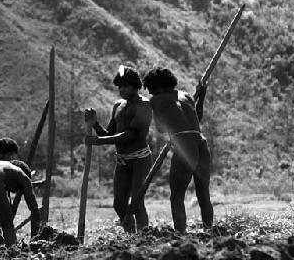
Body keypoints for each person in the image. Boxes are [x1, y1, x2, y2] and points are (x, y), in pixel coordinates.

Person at [142, 67, 213, 233]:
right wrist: (201, 95)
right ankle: (209, 232)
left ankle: (180, 236)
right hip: (201, 143)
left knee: (176, 197)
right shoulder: (187, 96)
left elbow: (160, 128)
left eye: (151, 89)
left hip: (184, 144)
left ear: (159, 87)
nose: (150, 93)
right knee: (203, 195)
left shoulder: (156, 100)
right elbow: (198, 117)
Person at [84, 65, 153, 233]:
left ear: (135, 86)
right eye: (120, 86)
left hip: (140, 159)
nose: (122, 90)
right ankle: (130, 235)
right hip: (122, 160)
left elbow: (131, 135)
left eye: (126, 86)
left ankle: (144, 238)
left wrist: (98, 141)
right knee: (119, 204)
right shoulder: (118, 106)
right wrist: (95, 124)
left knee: (136, 203)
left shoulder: (144, 106)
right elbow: (110, 133)